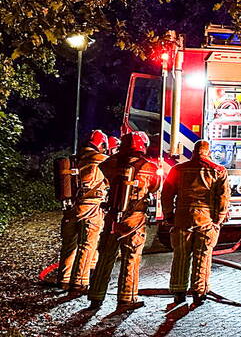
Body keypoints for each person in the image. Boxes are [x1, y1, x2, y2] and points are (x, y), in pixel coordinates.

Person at [86, 131, 159, 311]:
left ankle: (96, 296)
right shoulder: (149, 167)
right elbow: (155, 186)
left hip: (112, 217)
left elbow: (103, 168)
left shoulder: (110, 164)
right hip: (134, 219)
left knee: (105, 256)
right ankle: (127, 299)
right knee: (131, 258)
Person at [161, 140, 230, 306]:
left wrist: (169, 214)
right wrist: (219, 219)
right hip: (206, 220)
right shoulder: (219, 170)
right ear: (209, 152)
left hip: (182, 218)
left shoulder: (178, 169)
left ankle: (178, 292)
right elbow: (223, 197)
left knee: (180, 255)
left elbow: (167, 193)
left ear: (193, 151)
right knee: (202, 256)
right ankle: (199, 293)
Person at [53, 130, 108, 291]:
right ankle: (80, 281)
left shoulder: (73, 160)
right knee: (87, 244)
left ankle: (63, 279)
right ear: (101, 145)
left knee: (69, 245)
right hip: (91, 208)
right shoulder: (102, 160)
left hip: (70, 208)